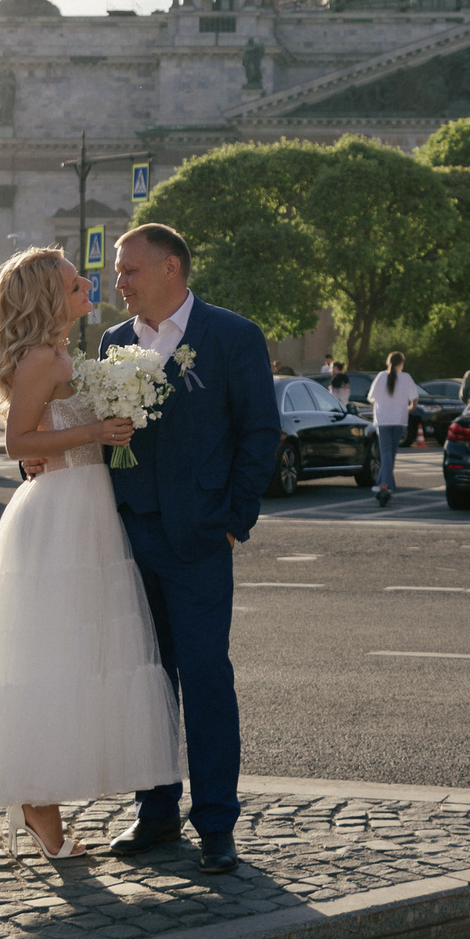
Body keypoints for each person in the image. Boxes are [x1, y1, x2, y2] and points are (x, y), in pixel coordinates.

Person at [0, 247, 180, 860]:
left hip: (86, 509)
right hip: (59, 513)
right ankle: (37, 803)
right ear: (47, 298)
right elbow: (18, 442)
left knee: (73, 658)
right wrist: (95, 431)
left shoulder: (62, 354)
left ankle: (43, 801)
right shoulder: (39, 358)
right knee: (48, 661)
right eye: (73, 281)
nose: (88, 284)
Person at [98, 223, 279, 874]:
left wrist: (234, 519)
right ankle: (156, 810)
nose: (118, 281)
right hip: (134, 537)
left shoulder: (233, 336)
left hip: (201, 540)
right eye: (119, 271)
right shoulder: (115, 342)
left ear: (171, 267)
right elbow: (117, 439)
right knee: (147, 680)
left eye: (129, 270)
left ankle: (218, 822)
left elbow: (260, 433)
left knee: (205, 679)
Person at [368, 350, 414, 508]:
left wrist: (381, 407)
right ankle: (387, 485)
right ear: (401, 364)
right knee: (391, 453)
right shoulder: (406, 377)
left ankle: (383, 485)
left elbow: (371, 398)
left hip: (383, 420)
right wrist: (409, 407)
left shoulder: (381, 376)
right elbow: (414, 398)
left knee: (386, 453)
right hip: (399, 419)